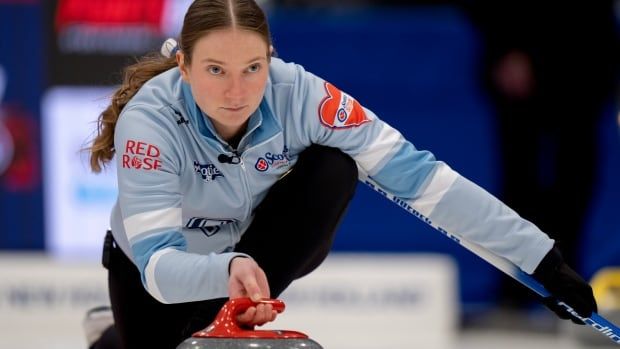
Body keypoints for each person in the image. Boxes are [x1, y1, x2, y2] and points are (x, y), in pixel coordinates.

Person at [85, 1, 597, 348]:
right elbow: (157, 265)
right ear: (185, 68)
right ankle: (114, 337)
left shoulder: (304, 96)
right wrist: (227, 269)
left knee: (334, 166)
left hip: (257, 258)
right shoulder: (150, 120)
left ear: (272, 59)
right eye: (216, 70)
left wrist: (540, 257)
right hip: (155, 277)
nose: (237, 92)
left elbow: (422, 179)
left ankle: (218, 321)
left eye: (253, 69)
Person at [461, 0, 619, 311]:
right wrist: (505, 46)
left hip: (588, 59)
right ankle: (516, 289)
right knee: (520, 179)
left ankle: (569, 289)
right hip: (522, 58)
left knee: (576, 179)